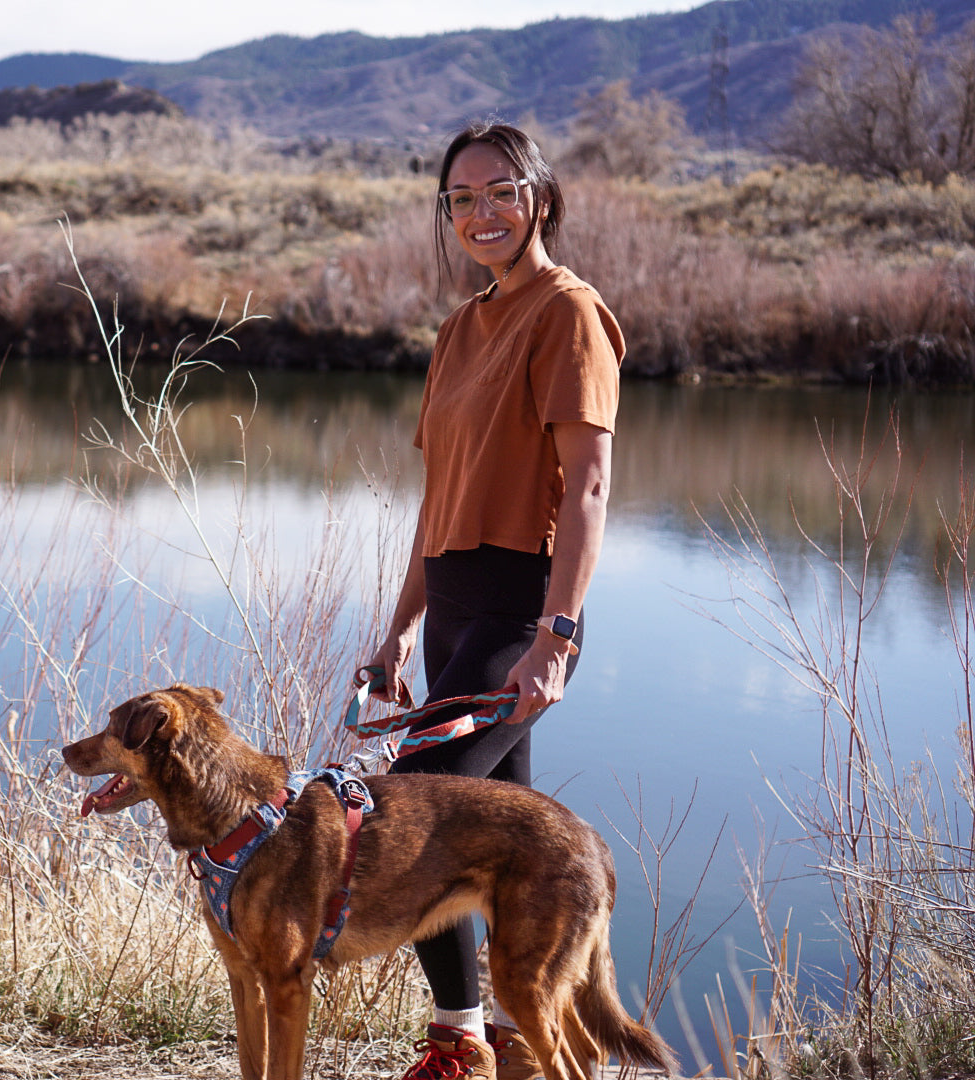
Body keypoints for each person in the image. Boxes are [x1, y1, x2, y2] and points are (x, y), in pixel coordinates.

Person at [362, 121, 624, 1080]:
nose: (481, 213)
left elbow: (588, 486)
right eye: (461, 198)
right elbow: (442, 501)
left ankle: (460, 1040)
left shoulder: (569, 313)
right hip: (456, 606)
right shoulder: (460, 327)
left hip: (523, 606)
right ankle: (524, 1046)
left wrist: (555, 635)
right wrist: (397, 630)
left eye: (500, 192)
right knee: (505, 834)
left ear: (540, 199)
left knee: (411, 818)